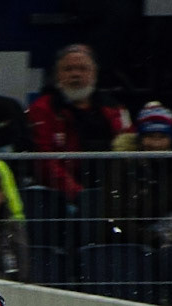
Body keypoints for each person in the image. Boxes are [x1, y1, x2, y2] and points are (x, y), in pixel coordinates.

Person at [25, 43, 132, 202]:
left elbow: (130, 147)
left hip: (111, 193)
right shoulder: (42, 109)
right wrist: (79, 194)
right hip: (61, 197)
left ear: (94, 74)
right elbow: (45, 161)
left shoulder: (115, 108)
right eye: (68, 69)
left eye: (82, 69)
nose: (75, 74)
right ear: (57, 75)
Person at [101, 103, 172, 250]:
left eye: (162, 137)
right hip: (128, 245)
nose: (156, 144)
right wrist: (153, 239)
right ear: (140, 137)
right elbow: (116, 217)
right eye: (150, 136)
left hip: (171, 245)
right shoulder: (122, 165)